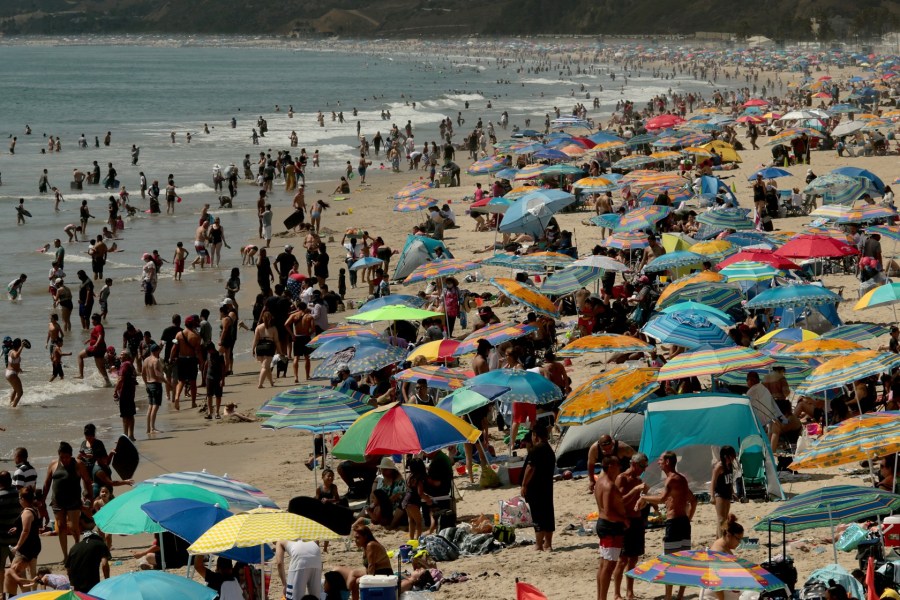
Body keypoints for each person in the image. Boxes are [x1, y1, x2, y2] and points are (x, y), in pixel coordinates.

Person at [638, 451, 697, 600]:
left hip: (674, 523)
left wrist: (644, 497)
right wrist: (688, 518)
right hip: (683, 522)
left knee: (670, 562)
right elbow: (693, 500)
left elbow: (662, 499)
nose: (658, 462)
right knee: (684, 562)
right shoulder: (681, 479)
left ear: (668, 462)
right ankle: (680, 596)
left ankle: (669, 597)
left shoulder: (671, 480)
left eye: (660, 460)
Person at [42, 442, 93, 560]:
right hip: (57, 501)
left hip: (73, 501)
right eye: (62, 457)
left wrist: (90, 497)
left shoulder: (78, 464)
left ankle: (77, 549)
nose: (64, 459)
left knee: (74, 527)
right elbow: (47, 483)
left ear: (71, 455)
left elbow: (87, 480)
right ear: (58, 455)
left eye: (67, 457)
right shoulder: (53, 464)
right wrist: (43, 500)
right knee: (61, 526)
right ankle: (65, 556)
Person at [612, 453, 650, 600]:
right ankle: (616, 593)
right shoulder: (622, 478)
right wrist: (635, 490)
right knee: (622, 560)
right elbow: (619, 502)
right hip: (625, 522)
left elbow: (639, 503)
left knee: (633, 558)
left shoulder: (638, 480)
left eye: (645, 466)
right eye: (642, 466)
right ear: (633, 464)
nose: (644, 469)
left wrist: (645, 496)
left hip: (637, 521)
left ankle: (629, 591)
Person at [595, 455, 627, 600]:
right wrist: (624, 520)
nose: (620, 467)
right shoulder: (609, 485)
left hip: (603, 525)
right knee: (608, 566)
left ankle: (600, 598)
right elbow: (608, 512)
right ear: (610, 466)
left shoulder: (600, 482)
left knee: (603, 563)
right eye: (618, 464)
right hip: (611, 527)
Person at [521, 422, 556, 551]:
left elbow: (530, 468)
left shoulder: (536, 450)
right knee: (547, 513)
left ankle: (539, 544)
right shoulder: (549, 449)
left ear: (535, 435)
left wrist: (524, 485)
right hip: (547, 487)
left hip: (536, 488)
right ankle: (548, 543)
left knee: (538, 515)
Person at [335, 525, 393, 600]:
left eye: (358, 538)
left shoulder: (371, 545)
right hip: (378, 571)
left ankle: (344, 596)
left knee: (355, 578)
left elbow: (371, 565)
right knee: (354, 576)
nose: (355, 540)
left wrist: (369, 581)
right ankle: (347, 595)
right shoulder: (366, 546)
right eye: (355, 538)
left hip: (384, 573)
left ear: (365, 537)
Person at [4, 487, 42, 597]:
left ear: (23, 499)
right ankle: (33, 594)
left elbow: (26, 531)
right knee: (32, 571)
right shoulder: (35, 510)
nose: (19, 500)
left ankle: (21, 596)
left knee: (13, 573)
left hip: (26, 548)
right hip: (35, 545)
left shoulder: (27, 512)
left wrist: (17, 546)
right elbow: (31, 527)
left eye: (19, 498)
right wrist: (17, 529)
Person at [64, 516, 111, 594]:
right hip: (91, 583)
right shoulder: (100, 544)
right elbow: (104, 564)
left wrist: (72, 584)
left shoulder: (74, 547)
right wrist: (107, 581)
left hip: (75, 585)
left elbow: (68, 569)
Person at [708, 515, 745, 600]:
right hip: (716, 595)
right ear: (728, 535)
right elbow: (714, 580)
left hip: (723, 590)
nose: (739, 543)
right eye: (738, 539)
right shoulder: (718, 552)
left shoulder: (723, 545)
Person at [76, 314, 112, 386]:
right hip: (101, 348)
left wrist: (96, 344)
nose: (91, 321)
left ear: (96, 320)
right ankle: (108, 382)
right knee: (100, 366)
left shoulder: (98, 327)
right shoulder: (99, 326)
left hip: (96, 348)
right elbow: (97, 336)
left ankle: (81, 374)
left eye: (93, 320)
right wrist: (89, 340)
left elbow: (100, 336)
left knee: (79, 355)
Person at [711, 446, 738, 536]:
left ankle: (718, 540)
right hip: (719, 495)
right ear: (726, 456)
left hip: (727, 494)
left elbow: (729, 481)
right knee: (721, 519)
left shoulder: (729, 465)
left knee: (724, 519)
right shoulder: (719, 467)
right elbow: (713, 482)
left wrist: (733, 492)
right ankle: (722, 539)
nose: (733, 458)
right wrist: (712, 496)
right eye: (732, 456)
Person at [113, 349, 137, 440]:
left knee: (124, 416)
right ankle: (131, 435)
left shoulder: (124, 365)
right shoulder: (131, 365)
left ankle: (125, 435)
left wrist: (115, 391)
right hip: (131, 393)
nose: (120, 355)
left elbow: (120, 379)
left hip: (125, 393)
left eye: (122, 354)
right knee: (130, 414)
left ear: (126, 356)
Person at [252, 311, 280, 388]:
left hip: (260, 347)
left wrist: (253, 349)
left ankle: (271, 383)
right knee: (265, 367)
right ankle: (260, 384)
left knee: (267, 367)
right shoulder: (273, 328)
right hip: (269, 346)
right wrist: (279, 351)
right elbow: (276, 341)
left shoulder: (258, 327)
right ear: (270, 318)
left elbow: (255, 339)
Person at [5, 338, 25, 407]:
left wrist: (18, 368)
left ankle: (11, 402)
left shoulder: (11, 351)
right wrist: (22, 347)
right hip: (12, 373)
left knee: (15, 390)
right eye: (20, 345)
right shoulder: (13, 352)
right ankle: (14, 407)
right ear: (19, 345)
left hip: (9, 373)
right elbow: (16, 355)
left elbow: (13, 362)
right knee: (20, 393)